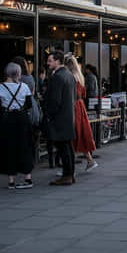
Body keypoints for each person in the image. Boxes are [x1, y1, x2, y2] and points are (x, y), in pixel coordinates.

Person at [0, 62, 35, 189]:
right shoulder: (24, 87)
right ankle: (28, 177)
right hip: (22, 118)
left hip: (8, 118)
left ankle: (11, 179)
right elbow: (29, 105)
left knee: (8, 147)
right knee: (25, 145)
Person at [44, 50, 77, 185]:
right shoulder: (69, 75)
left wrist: (49, 115)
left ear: (57, 61)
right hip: (68, 115)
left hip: (59, 117)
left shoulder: (57, 77)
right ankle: (70, 174)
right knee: (67, 146)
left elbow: (55, 100)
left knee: (63, 147)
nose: (47, 63)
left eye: (50, 60)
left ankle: (67, 175)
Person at [65, 54, 98, 172]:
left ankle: (69, 167)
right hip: (80, 105)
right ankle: (89, 160)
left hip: (73, 105)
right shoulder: (80, 77)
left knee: (73, 134)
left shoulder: (70, 77)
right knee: (81, 133)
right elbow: (84, 94)